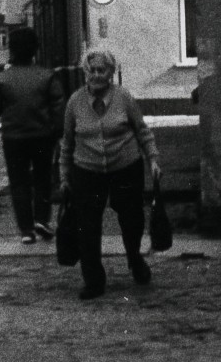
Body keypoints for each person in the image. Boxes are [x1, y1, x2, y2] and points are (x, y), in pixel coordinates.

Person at [59, 48, 162, 300]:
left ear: (110, 73)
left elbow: (142, 131)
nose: (96, 75)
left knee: (132, 220)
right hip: (87, 170)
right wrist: (64, 176)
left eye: (101, 70)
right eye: (91, 70)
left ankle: (135, 259)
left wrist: (153, 160)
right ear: (85, 73)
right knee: (87, 226)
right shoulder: (75, 102)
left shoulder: (124, 97)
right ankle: (93, 280)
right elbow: (67, 143)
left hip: (125, 166)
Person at [0, 28, 64, 244]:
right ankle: (42, 220)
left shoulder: (2, 80)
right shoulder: (47, 76)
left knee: (19, 182)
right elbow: (58, 106)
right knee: (43, 178)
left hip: (14, 138)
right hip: (43, 136)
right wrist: (59, 132)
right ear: (35, 49)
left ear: (12, 50)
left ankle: (26, 230)